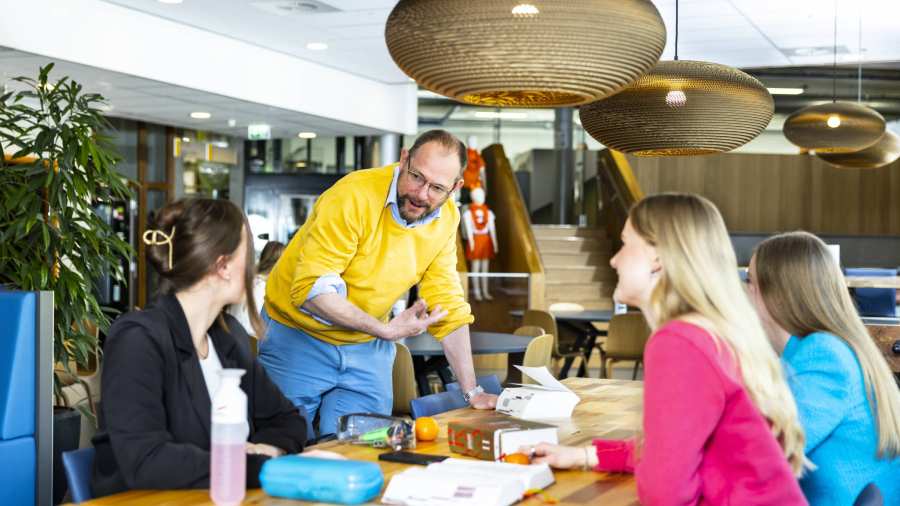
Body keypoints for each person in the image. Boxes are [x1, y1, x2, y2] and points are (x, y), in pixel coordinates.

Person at [524, 193, 807, 505]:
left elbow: (666, 494)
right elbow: (670, 448)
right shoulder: (710, 332)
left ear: (657, 257)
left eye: (625, 243)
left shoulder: (680, 341)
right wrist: (584, 455)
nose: (614, 259)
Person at [260, 129, 497, 437]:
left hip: (366, 348)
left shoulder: (446, 216)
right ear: (403, 160)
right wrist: (385, 331)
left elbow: (447, 302)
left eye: (437, 187)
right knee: (282, 445)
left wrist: (472, 392)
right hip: (297, 336)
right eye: (416, 177)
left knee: (361, 449)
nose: (422, 194)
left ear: (455, 188)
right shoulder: (353, 195)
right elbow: (312, 289)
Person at [92, 198, 309, 496]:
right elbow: (146, 461)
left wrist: (266, 449)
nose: (252, 264)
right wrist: (253, 465)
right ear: (222, 266)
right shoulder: (138, 340)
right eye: (247, 253)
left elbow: (288, 420)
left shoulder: (226, 337)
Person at [747, 231, 900, 505]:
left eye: (751, 283)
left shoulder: (824, 355)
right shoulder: (823, 348)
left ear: (779, 297)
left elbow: (764, 453)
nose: (745, 295)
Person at [228, 240, 285, 336]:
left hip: (234, 338)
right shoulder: (263, 289)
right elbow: (252, 329)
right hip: (248, 343)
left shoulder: (248, 281)